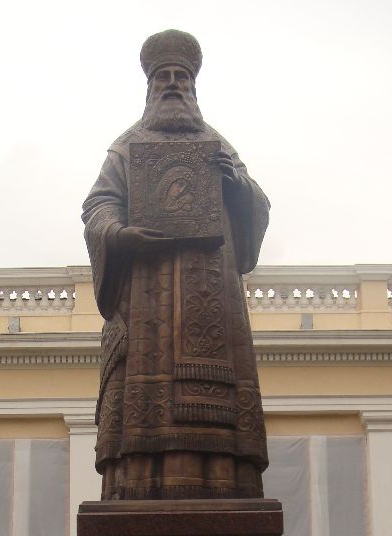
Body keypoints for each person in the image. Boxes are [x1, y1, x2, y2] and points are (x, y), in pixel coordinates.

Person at [83, 29, 270, 500]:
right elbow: (98, 205)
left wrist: (237, 187)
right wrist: (122, 235)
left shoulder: (216, 145)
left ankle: (220, 479)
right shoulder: (126, 147)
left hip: (211, 297)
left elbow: (258, 204)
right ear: (149, 87)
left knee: (219, 404)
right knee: (144, 405)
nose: (172, 84)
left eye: (181, 77)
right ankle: (141, 481)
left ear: (193, 87)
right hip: (146, 295)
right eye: (163, 76)